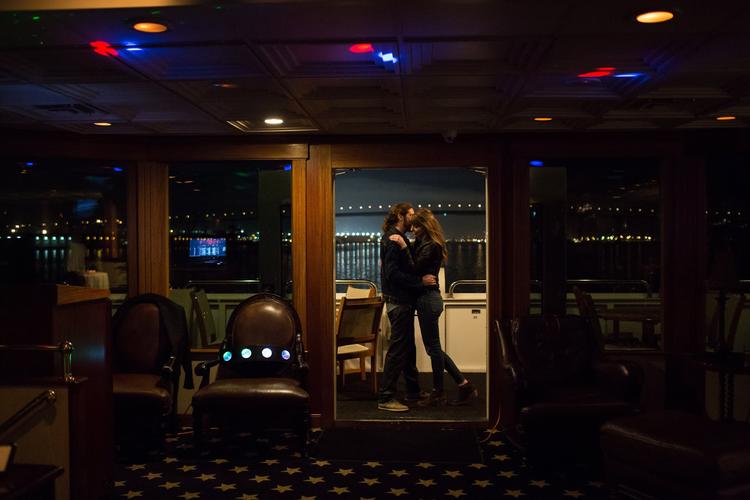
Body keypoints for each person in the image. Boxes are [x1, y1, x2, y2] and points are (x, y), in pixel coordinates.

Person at [390, 208, 476, 406]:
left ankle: (439, 391)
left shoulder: (432, 246)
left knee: (434, 348)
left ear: (426, 226)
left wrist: (403, 246)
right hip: (426, 299)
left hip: (429, 299)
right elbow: (413, 268)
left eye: (417, 226)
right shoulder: (422, 242)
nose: (413, 229)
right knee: (433, 348)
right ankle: (463, 384)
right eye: (412, 225)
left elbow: (413, 268)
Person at [377, 203, 436, 412]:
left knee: (408, 348)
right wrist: (421, 283)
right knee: (398, 350)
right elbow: (392, 274)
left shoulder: (399, 239)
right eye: (411, 214)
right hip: (398, 301)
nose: (414, 218)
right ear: (400, 216)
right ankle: (385, 397)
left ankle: (412, 390)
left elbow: (407, 264)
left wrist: (405, 245)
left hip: (402, 301)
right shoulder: (393, 240)